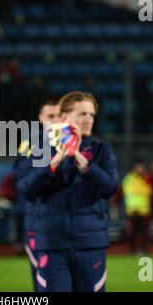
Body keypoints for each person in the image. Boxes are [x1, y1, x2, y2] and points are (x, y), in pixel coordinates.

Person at [15, 91, 118, 292]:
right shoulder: (40, 148)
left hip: (90, 244)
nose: (88, 119)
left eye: (91, 115)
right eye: (81, 114)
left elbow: (110, 188)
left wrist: (86, 165)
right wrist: (53, 165)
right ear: (65, 117)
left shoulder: (101, 150)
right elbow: (25, 188)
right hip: (52, 244)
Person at [13, 97, 61, 291]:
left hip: (65, 222)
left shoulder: (72, 142)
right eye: (50, 116)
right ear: (41, 118)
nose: (55, 119)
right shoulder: (30, 143)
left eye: (59, 115)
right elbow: (23, 180)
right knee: (43, 281)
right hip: (37, 221)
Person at [123, 160, 153, 255]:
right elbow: (130, 190)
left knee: (143, 230)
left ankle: (143, 249)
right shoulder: (130, 178)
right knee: (135, 230)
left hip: (143, 209)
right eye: (139, 167)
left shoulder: (145, 178)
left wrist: (142, 188)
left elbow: (150, 190)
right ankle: (133, 250)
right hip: (133, 208)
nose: (141, 169)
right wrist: (143, 188)